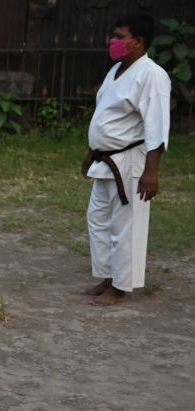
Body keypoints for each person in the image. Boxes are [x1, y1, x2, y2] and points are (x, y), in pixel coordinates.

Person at [82, 14, 170, 306]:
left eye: (120, 36)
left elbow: (156, 125)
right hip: (105, 160)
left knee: (125, 225)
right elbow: (104, 116)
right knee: (98, 220)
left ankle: (120, 286)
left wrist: (151, 172)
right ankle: (107, 276)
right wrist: (90, 153)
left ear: (138, 41)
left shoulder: (152, 75)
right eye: (115, 35)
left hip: (131, 162)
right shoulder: (117, 70)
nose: (114, 41)